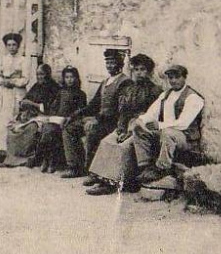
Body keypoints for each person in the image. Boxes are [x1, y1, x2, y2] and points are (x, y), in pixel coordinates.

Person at [86, 54, 162, 195]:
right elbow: (123, 112)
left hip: (142, 128)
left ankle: (111, 184)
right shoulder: (130, 89)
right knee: (107, 141)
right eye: (136, 69)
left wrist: (131, 130)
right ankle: (100, 177)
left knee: (122, 146)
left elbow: (153, 116)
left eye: (143, 69)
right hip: (127, 125)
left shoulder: (155, 91)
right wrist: (121, 129)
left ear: (149, 72)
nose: (139, 73)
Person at [61, 49, 132, 179]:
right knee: (69, 128)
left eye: (113, 63)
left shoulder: (125, 82)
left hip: (113, 123)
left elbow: (120, 110)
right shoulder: (105, 82)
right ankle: (75, 167)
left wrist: (96, 119)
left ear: (120, 64)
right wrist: (73, 116)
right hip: (100, 119)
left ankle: (94, 173)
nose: (109, 66)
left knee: (93, 131)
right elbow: (93, 105)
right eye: (108, 62)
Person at [132, 64, 204, 184]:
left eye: (177, 77)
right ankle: (146, 166)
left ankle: (162, 168)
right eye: (170, 78)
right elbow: (151, 113)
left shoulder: (193, 97)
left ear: (184, 78)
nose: (173, 81)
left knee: (167, 132)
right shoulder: (165, 94)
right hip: (166, 134)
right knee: (139, 129)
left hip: (186, 139)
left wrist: (160, 125)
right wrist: (141, 120)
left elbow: (183, 123)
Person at [0, 64, 61, 168]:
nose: (39, 77)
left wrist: (33, 105)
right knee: (12, 126)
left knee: (30, 128)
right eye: (37, 74)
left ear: (48, 74)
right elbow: (26, 99)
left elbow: (51, 107)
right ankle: (12, 158)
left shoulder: (54, 88)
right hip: (30, 115)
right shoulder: (36, 85)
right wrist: (23, 109)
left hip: (44, 116)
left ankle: (26, 159)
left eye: (42, 74)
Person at [35, 66, 88, 173]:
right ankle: (47, 159)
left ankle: (54, 162)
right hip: (58, 119)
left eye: (72, 77)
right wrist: (51, 117)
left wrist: (70, 118)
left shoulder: (81, 94)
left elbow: (81, 111)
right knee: (47, 129)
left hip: (71, 120)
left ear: (76, 78)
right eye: (67, 77)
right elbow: (54, 107)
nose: (69, 80)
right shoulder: (61, 92)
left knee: (55, 131)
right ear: (63, 79)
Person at [0, 32, 28, 162]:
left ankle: (13, 152)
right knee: (1, 120)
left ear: (18, 46)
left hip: (16, 92)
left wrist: (13, 82)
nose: (12, 47)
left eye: (14, 45)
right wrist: (3, 81)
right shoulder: (3, 59)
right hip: (4, 93)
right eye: (9, 45)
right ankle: (0, 151)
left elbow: (25, 78)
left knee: (13, 119)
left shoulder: (23, 60)